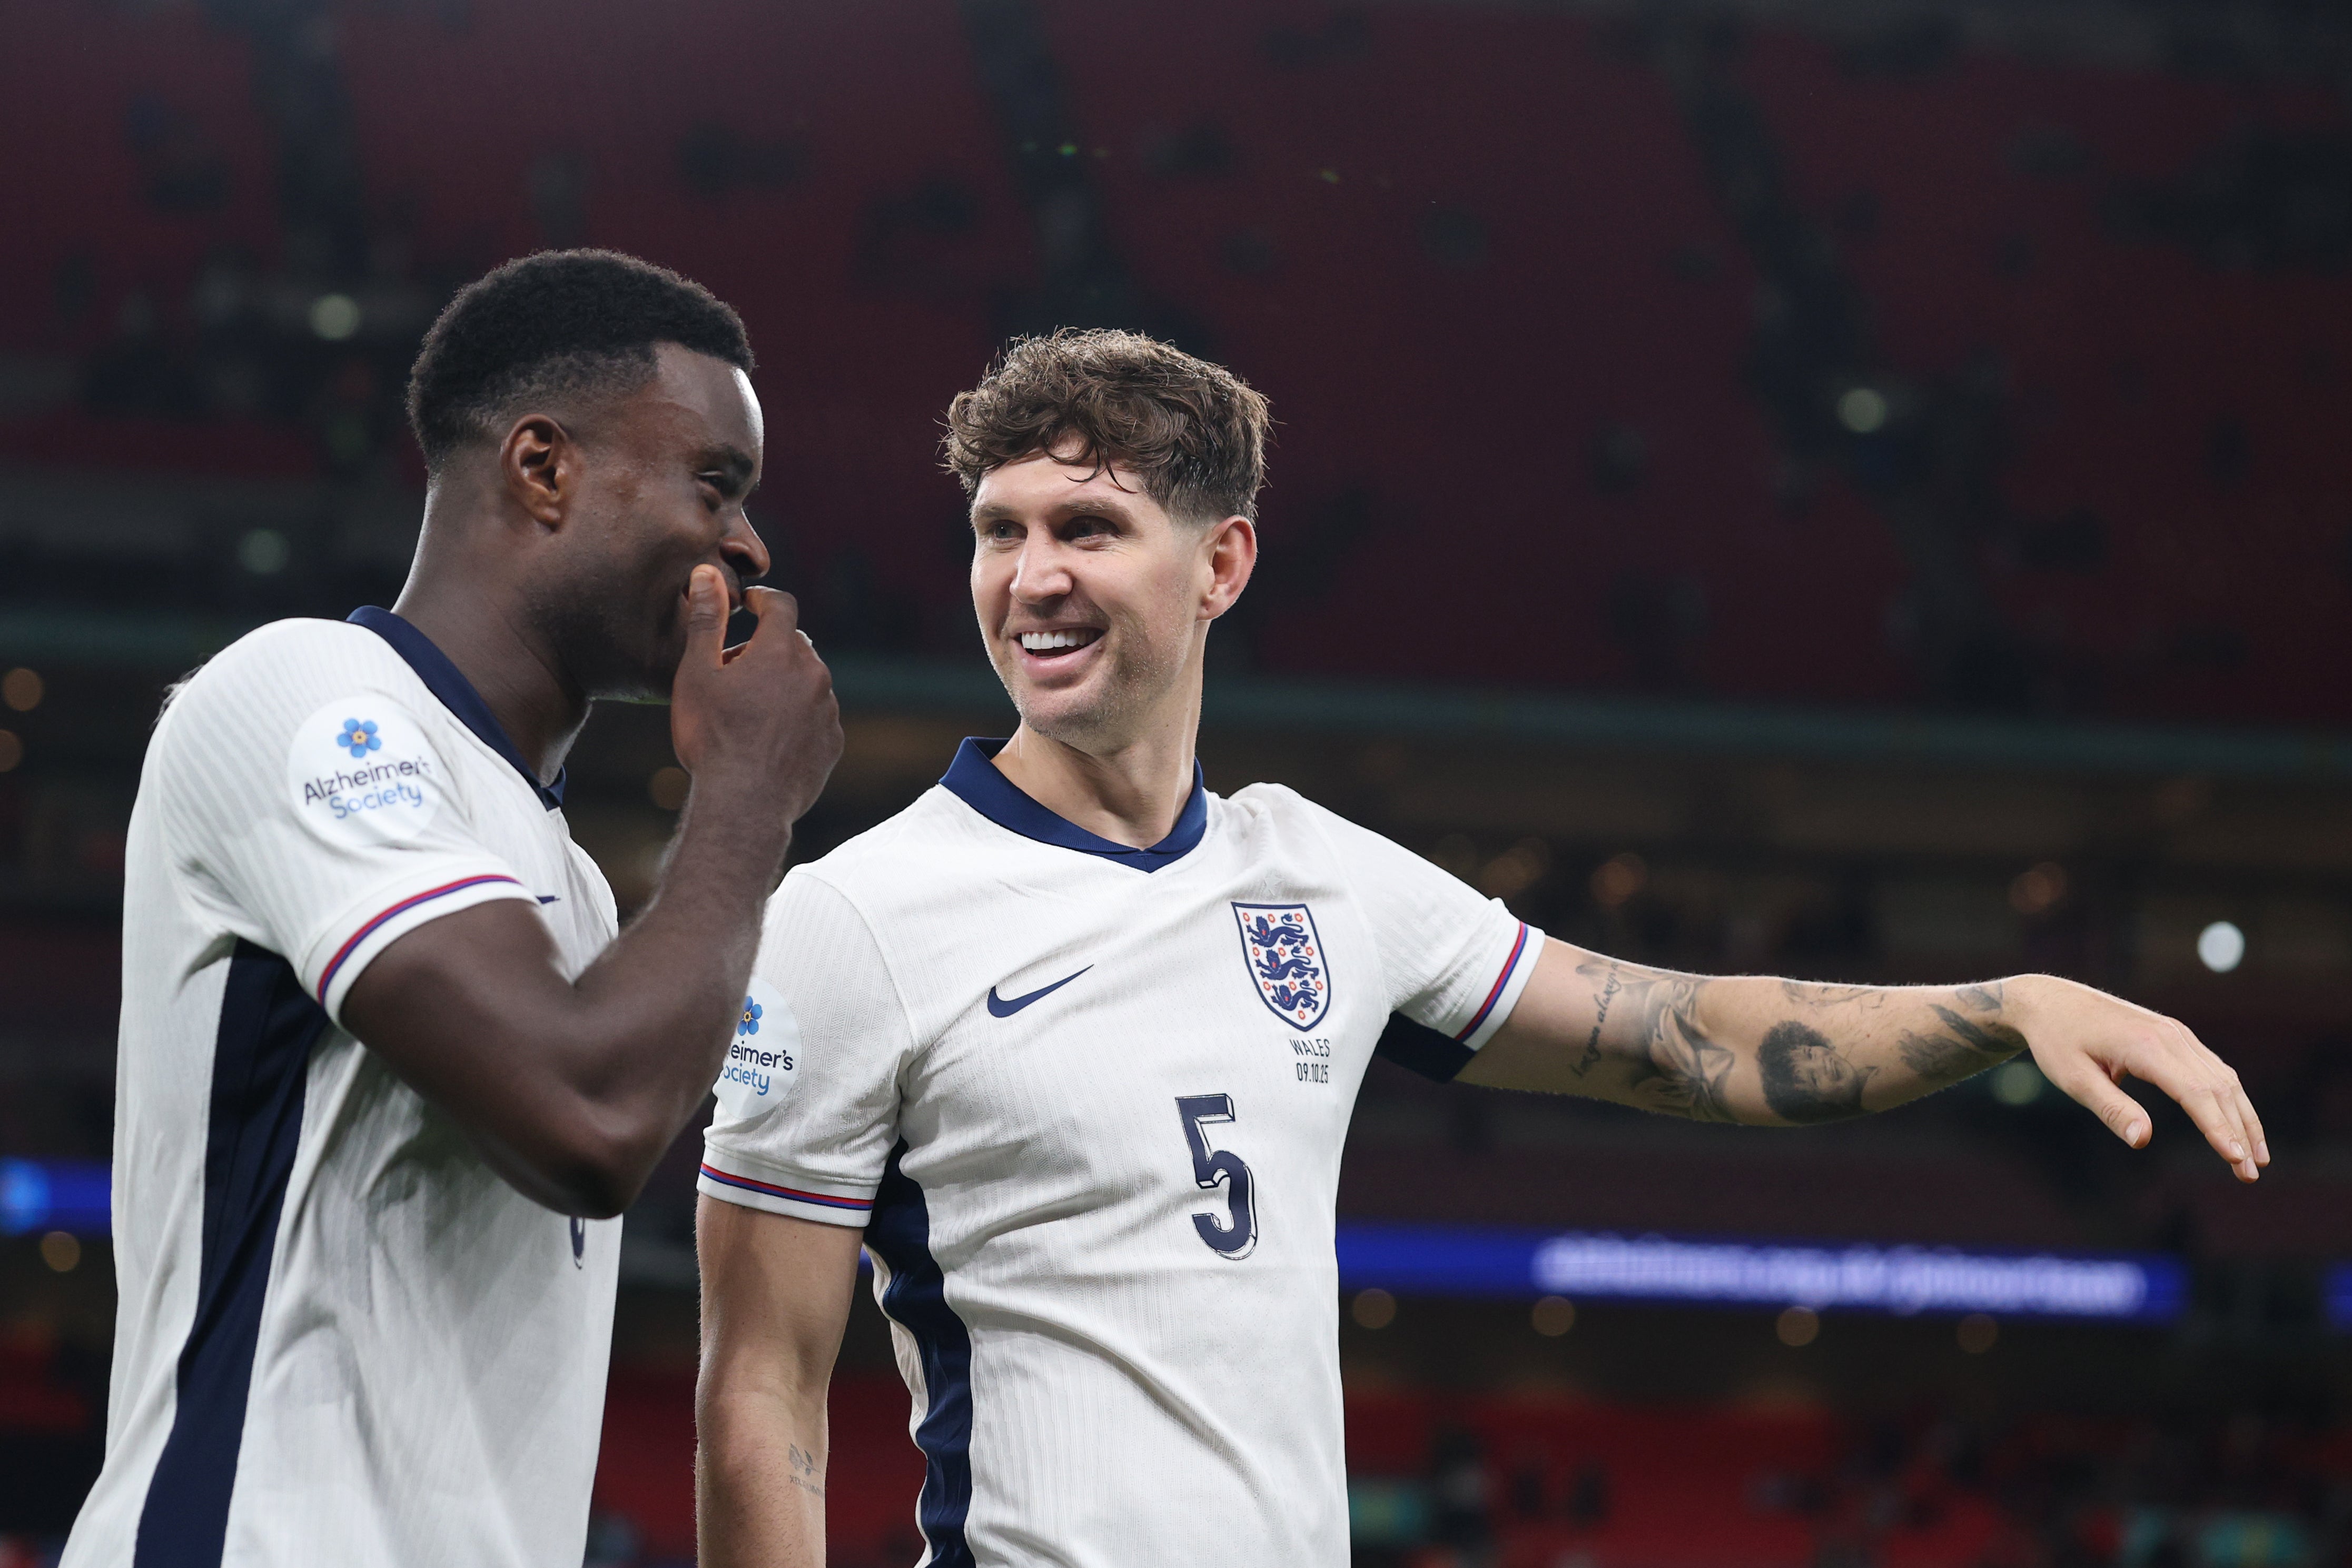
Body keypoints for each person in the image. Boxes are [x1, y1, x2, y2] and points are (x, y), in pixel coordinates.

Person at [691, 329, 2265, 1568]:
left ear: (1220, 563)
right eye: (1000, 529)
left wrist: (2003, 1002)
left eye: (1090, 528)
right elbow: (762, 1393)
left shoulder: (1321, 879)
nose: (1031, 578)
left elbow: (1685, 1039)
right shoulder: (855, 921)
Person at [64, 250, 842, 1568]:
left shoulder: (576, 887)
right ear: (542, 468)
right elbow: (587, 1119)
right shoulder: (307, 693)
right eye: (715, 484)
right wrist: (750, 795)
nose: (750, 545)